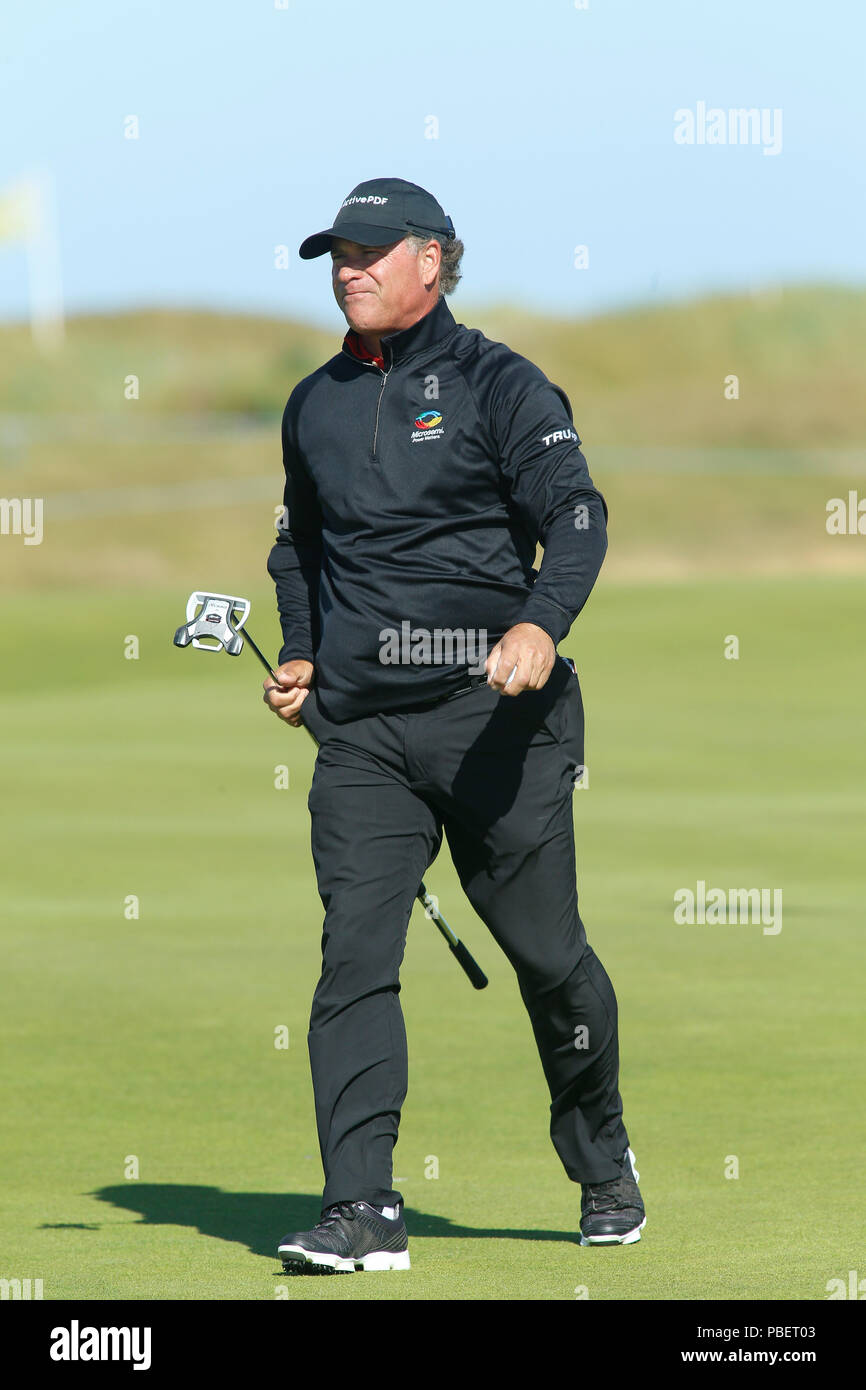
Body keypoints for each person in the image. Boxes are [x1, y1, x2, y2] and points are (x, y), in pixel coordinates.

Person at [264, 177, 645, 1274]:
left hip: (496, 721)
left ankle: (601, 1158)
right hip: (364, 737)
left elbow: (576, 514)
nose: (351, 267)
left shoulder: (499, 384)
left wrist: (539, 623)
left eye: (373, 250)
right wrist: (300, 652)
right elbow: (301, 550)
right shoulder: (313, 401)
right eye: (338, 252)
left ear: (432, 259)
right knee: (352, 961)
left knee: (545, 956)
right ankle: (362, 1208)